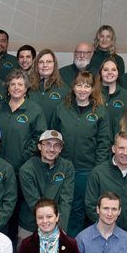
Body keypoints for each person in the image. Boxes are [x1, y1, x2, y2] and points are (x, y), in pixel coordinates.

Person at [51, 72, 111, 235]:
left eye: (87, 86)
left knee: (78, 209)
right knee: (59, 206)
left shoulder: (100, 111)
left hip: (86, 170)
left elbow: (104, 143)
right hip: (61, 167)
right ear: (73, 87)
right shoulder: (62, 108)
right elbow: (52, 137)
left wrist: (97, 169)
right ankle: (57, 241)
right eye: (79, 85)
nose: (82, 89)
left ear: (92, 89)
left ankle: (74, 244)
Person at [85, 131, 127, 235]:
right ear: (113, 149)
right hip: (103, 233)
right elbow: (90, 206)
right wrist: (110, 230)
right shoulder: (98, 173)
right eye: (121, 148)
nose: (125, 153)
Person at [18, 131, 75, 239]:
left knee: (57, 251)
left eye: (56, 145)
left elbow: (66, 200)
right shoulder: (27, 169)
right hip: (30, 226)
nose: (52, 149)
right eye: (48, 144)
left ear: (61, 149)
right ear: (39, 146)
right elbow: (34, 202)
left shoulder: (67, 167)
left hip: (57, 224)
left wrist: (60, 228)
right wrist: (48, 227)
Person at [0, 69, 46, 171]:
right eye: (12, 84)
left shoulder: (35, 110)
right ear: (8, 87)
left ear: (26, 88)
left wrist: (24, 156)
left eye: (20, 84)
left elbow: (39, 137)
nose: (16, 87)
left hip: (22, 167)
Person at [28, 49, 68, 125]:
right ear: (36, 65)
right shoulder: (29, 88)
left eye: (49, 61)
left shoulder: (64, 90)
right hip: (31, 131)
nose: (45, 65)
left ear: (54, 65)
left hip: (53, 132)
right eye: (41, 62)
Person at [99, 58, 127, 137]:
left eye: (113, 70)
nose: (110, 72)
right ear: (100, 73)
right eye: (106, 70)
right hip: (96, 142)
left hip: (119, 142)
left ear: (118, 73)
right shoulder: (92, 94)